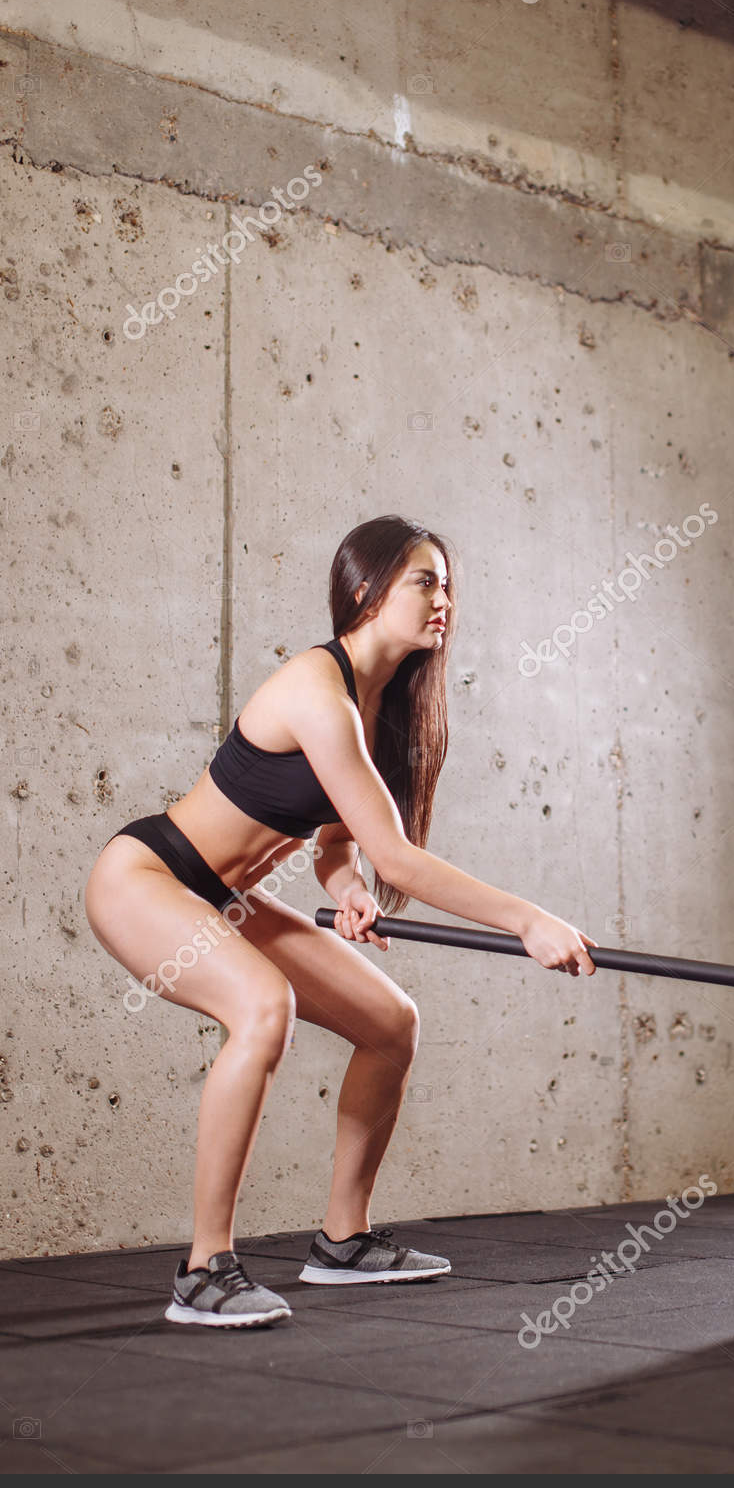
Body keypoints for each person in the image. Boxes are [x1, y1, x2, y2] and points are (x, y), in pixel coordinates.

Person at [84, 514, 597, 1329]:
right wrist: (525, 920)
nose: (443, 601)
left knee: (390, 1022)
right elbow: (400, 858)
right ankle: (202, 1269)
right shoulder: (315, 692)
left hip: (226, 899)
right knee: (261, 1008)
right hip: (145, 875)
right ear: (364, 590)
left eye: (448, 585)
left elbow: (336, 841)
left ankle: (342, 1240)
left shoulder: (376, 701)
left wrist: (346, 882)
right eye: (423, 581)